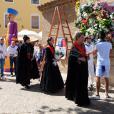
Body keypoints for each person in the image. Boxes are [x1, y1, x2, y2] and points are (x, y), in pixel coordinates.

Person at [65, 32, 90, 106]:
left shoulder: (83, 46)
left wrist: (86, 57)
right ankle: (78, 99)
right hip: (77, 70)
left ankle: (83, 98)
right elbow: (72, 58)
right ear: (77, 38)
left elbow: (84, 54)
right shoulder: (74, 46)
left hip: (83, 69)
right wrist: (79, 59)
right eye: (82, 37)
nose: (83, 39)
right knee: (78, 84)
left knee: (84, 83)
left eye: (83, 37)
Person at [94, 31, 112, 99]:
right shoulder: (109, 44)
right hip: (107, 63)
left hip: (100, 63)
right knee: (106, 78)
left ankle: (97, 94)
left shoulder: (98, 44)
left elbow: (95, 53)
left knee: (98, 77)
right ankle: (106, 94)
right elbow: (110, 53)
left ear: (99, 36)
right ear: (105, 36)